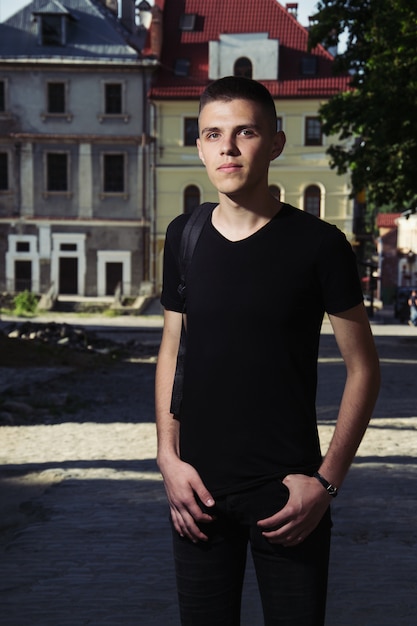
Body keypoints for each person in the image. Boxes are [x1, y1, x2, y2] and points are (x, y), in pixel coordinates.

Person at [155, 76, 380, 626]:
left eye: (244, 132)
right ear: (200, 145)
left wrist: (326, 484)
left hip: (289, 496)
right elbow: (170, 350)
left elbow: (364, 369)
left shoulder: (319, 244)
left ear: (275, 143)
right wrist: (167, 458)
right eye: (212, 134)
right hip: (198, 494)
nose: (226, 147)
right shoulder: (184, 235)